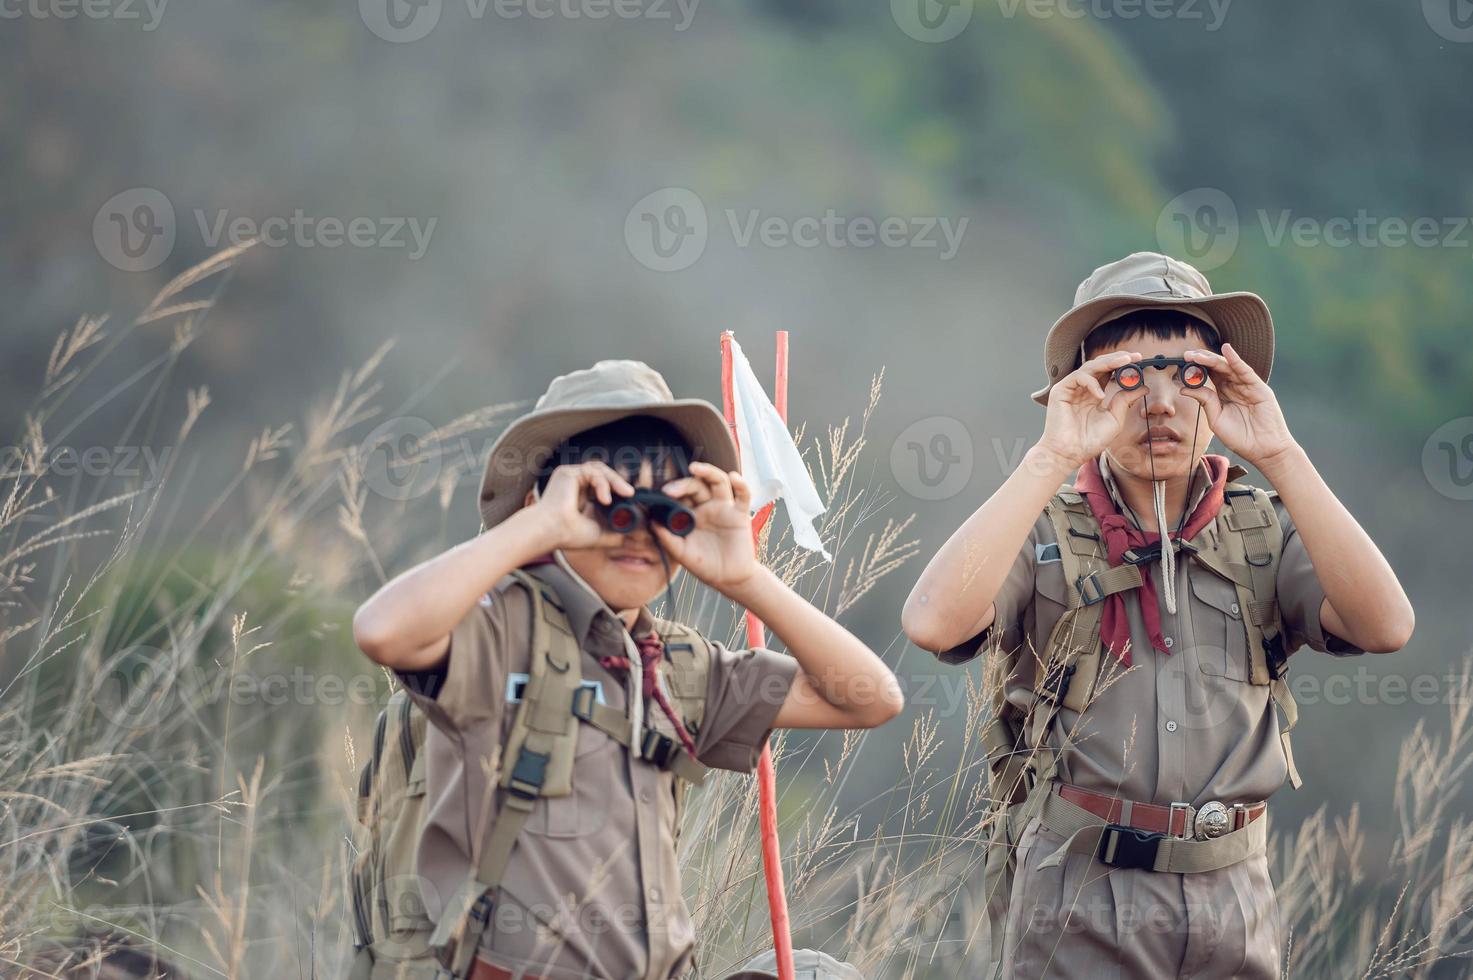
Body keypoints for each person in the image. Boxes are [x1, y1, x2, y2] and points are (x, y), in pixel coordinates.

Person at [902, 252, 1414, 978]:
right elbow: (931, 623)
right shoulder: (1043, 530)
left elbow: (1385, 626)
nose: (1159, 402)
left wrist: (1279, 452)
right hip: (1077, 892)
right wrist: (1050, 456)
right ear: (1077, 392)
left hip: (1233, 892)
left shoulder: (1260, 531)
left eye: (1190, 374)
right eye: (1124, 378)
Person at [353, 358, 904, 980]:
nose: (637, 533)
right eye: (606, 502)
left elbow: (870, 698)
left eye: (664, 511)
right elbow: (383, 630)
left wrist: (745, 577)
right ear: (546, 501)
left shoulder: (675, 664)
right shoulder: (497, 628)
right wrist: (540, 527)